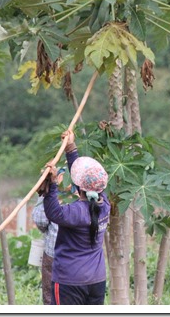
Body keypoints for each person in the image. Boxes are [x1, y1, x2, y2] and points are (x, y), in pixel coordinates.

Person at [42, 129, 111, 305]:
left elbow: (53, 213)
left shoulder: (77, 212)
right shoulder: (105, 205)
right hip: (96, 281)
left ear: (78, 188)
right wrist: (70, 148)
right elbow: (83, 180)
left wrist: (52, 184)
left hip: (70, 281)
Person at [32, 192, 59, 305]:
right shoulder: (87, 183)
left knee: (51, 298)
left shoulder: (50, 187)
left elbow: (41, 220)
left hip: (54, 251)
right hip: (85, 256)